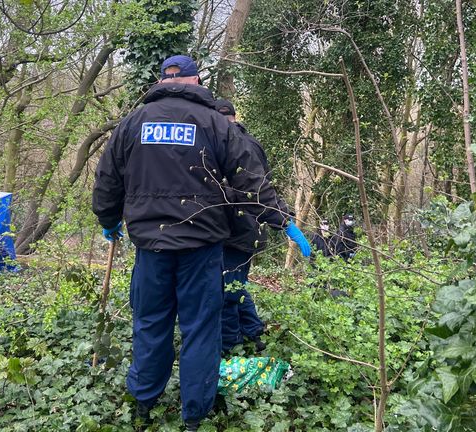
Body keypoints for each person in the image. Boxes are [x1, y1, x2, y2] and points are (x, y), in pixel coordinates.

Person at [92, 55, 312, 431]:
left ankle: (144, 403)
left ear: (163, 80)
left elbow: (108, 178)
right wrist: (283, 221)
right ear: (195, 80)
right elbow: (249, 180)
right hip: (202, 248)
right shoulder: (215, 123)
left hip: (152, 247)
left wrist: (108, 220)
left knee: (150, 323)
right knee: (200, 328)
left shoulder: (133, 123)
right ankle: (194, 415)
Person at [214, 99, 292, 354]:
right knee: (237, 284)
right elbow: (263, 186)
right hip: (250, 228)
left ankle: (231, 345)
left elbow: (253, 188)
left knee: (227, 289)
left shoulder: (229, 144)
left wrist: (282, 219)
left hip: (236, 229)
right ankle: (254, 333)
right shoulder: (252, 143)